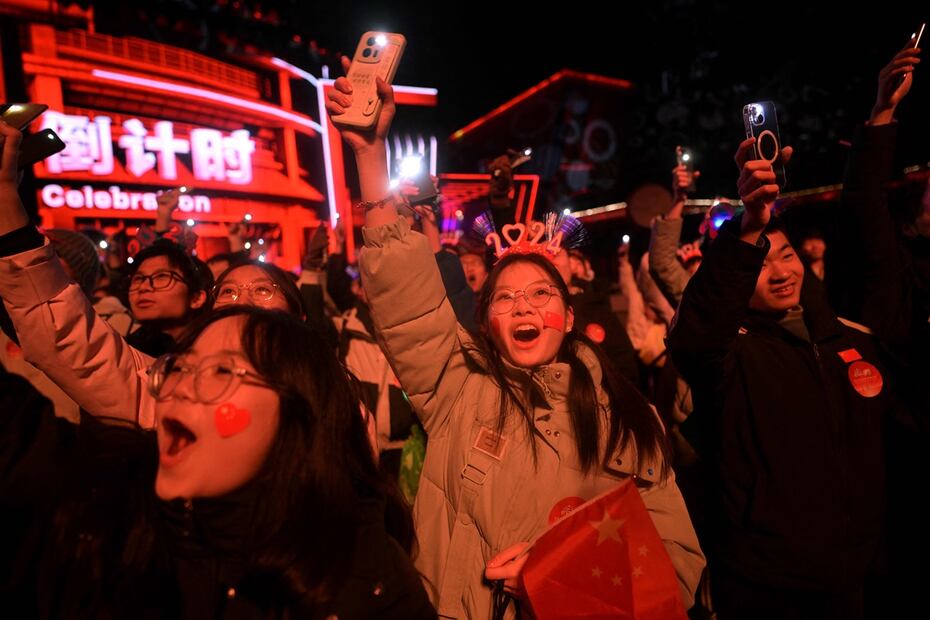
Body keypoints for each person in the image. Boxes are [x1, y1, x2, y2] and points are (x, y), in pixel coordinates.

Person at [0, 118, 435, 618]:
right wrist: (7, 207)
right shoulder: (171, 401)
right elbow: (73, 340)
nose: (242, 299)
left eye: (263, 290)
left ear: (299, 321)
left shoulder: (361, 567)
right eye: (227, 292)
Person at [327, 56, 704, 619]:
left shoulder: (631, 418)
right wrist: (368, 153)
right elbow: (406, 299)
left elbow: (678, 567)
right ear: (486, 323)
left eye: (541, 294)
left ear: (569, 316)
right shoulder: (456, 390)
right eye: (504, 298)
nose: (523, 305)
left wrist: (555, 577)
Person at [668, 135, 898, 619]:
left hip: (860, 573)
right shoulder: (730, 353)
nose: (780, 272)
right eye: (762, 261)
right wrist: (750, 225)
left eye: (787, 255)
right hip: (766, 581)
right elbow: (695, 337)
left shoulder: (850, 339)